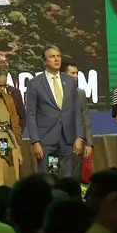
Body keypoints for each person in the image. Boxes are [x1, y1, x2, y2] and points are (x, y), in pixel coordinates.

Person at [24, 45, 84, 177]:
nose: (57, 59)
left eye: (58, 56)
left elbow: (77, 110)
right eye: (52, 57)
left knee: (67, 178)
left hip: (67, 140)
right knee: (52, 176)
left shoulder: (69, 81)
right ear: (45, 61)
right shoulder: (35, 83)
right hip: (47, 141)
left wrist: (79, 136)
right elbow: (31, 114)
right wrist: (35, 141)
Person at [64, 60, 93, 181]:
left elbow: (85, 118)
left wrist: (89, 143)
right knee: (53, 173)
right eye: (72, 73)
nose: (76, 76)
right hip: (54, 145)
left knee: (75, 177)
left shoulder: (80, 94)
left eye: (77, 73)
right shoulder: (51, 93)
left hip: (76, 144)